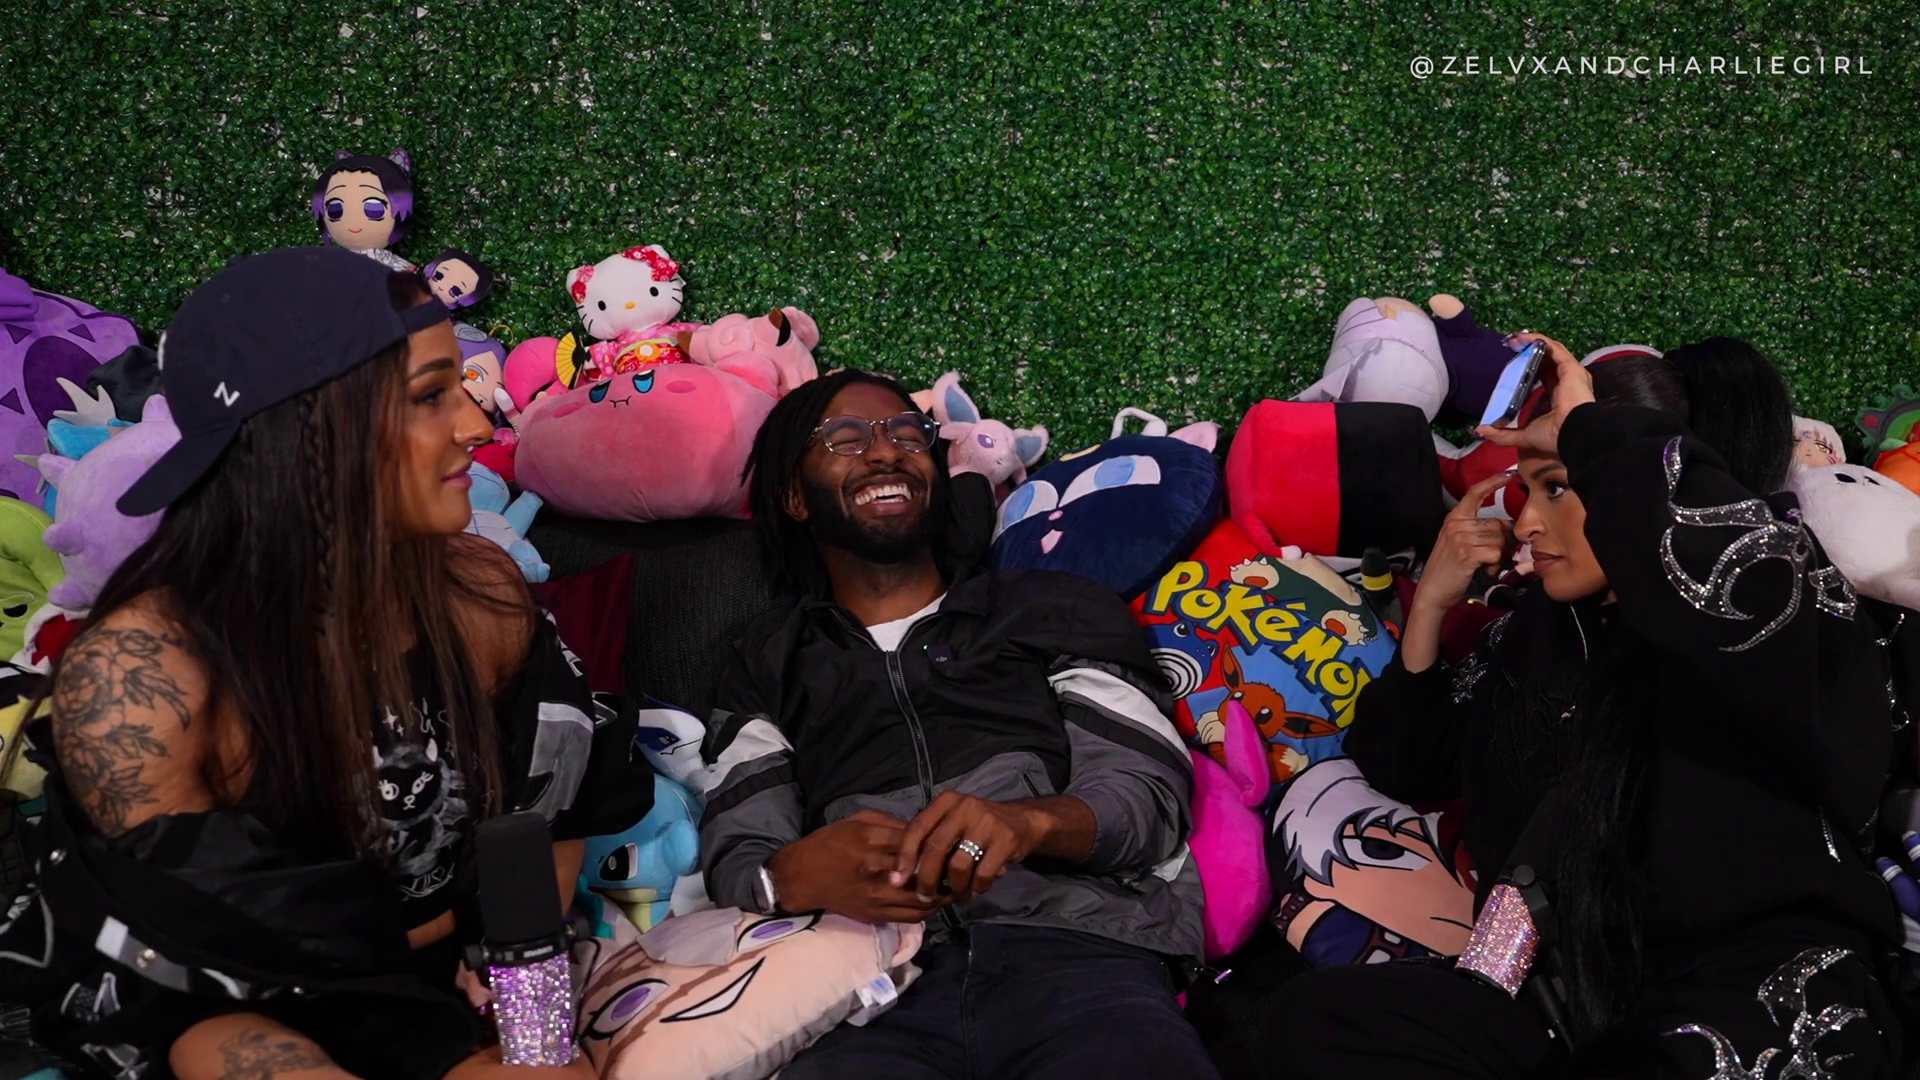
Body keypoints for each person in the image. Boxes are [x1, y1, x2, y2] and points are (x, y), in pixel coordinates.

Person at [0, 247, 652, 1080]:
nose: (477, 425)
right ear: (306, 430)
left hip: (454, 982)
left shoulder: (482, 595)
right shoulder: (140, 681)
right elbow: (184, 977)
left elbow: (545, 831)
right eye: (431, 395)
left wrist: (532, 1035)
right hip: (223, 1004)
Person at [1261, 337, 1907, 1078]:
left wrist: (1594, 431)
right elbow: (1404, 763)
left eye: (1559, 487)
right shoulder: (1537, 634)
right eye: (1526, 492)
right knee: (1315, 1021)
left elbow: (1722, 576)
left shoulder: (1785, 601)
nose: (1528, 524)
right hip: (1569, 1012)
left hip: (1755, 992)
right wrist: (1432, 604)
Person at [699, 369, 1218, 1080]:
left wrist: (1031, 823)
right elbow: (739, 852)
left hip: (1080, 952)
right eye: (845, 438)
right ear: (793, 496)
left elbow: (1148, 798)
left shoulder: (1051, 606)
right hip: (868, 982)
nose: (886, 451)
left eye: (907, 434)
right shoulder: (767, 661)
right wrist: (784, 878)